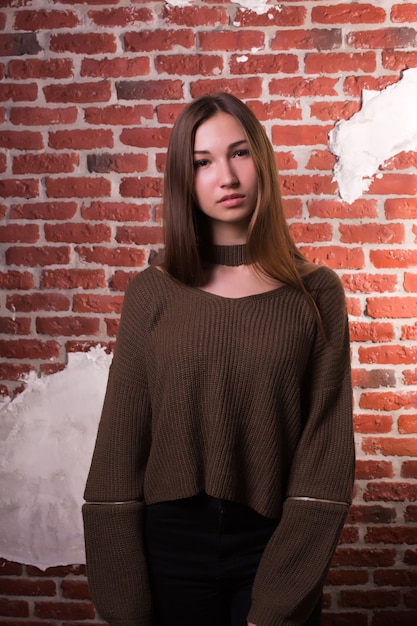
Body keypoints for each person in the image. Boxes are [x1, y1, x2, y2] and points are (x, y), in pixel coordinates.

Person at [82, 92, 355, 626]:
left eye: (239, 154)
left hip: (274, 542)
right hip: (169, 546)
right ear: (185, 180)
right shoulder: (152, 293)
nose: (225, 176)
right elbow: (120, 443)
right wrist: (123, 600)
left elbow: (326, 450)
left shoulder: (316, 292)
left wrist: (280, 596)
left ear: (262, 162)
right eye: (202, 162)